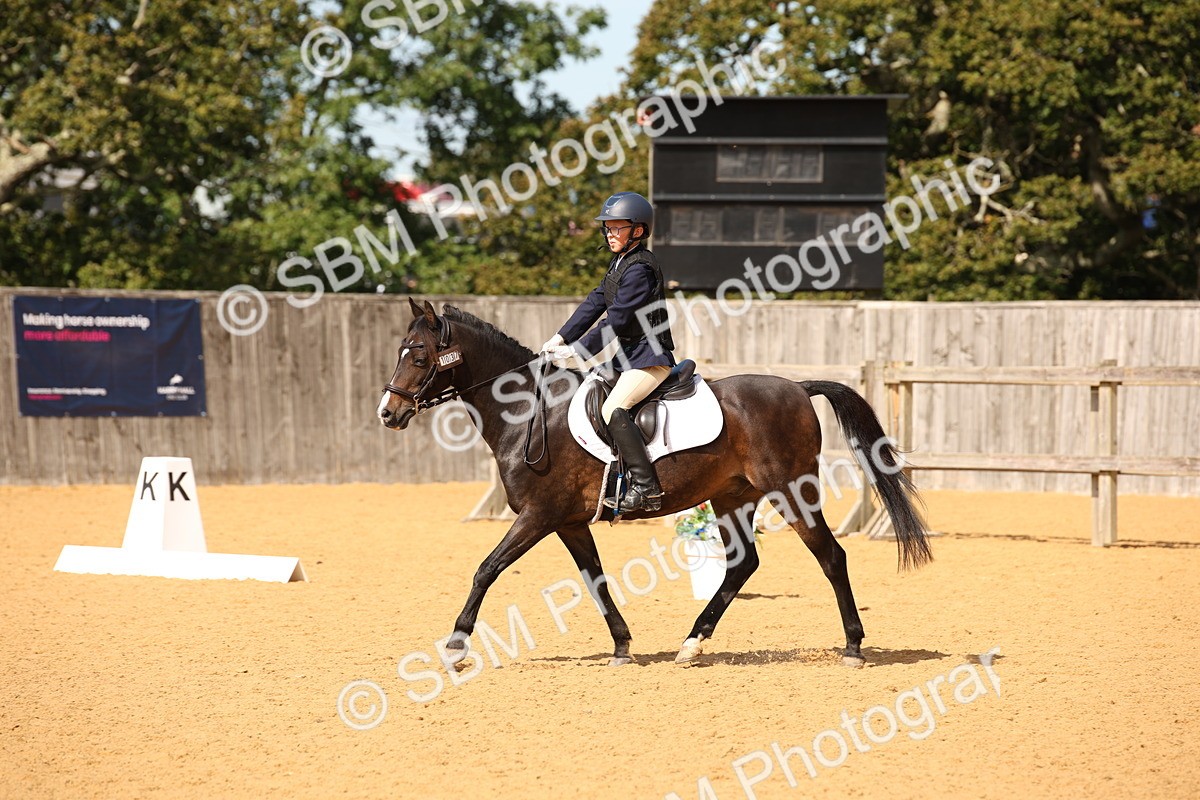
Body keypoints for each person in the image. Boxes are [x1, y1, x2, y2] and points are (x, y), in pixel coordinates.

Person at [541, 191, 676, 513]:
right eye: (608, 228)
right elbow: (596, 300)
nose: (610, 234)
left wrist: (579, 351)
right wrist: (560, 338)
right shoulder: (620, 263)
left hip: (650, 359)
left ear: (638, 231)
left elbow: (616, 318)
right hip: (628, 357)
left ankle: (646, 488)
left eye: (617, 228)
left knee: (613, 408)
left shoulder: (639, 270)